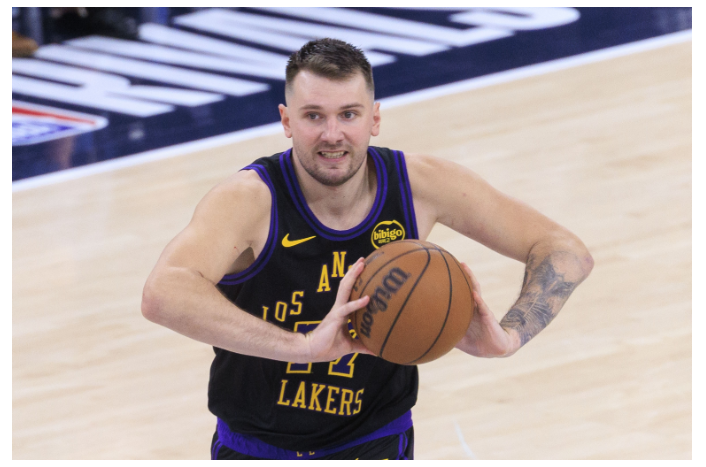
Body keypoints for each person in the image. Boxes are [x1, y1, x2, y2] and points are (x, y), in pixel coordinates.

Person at [141, 38, 593, 460]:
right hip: (257, 448)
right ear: (286, 121)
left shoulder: (420, 184)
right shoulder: (249, 200)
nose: (332, 134)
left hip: (377, 442)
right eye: (313, 116)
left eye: (349, 114)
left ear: (374, 119)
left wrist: (510, 336)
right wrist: (303, 347)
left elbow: (566, 251)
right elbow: (163, 292)